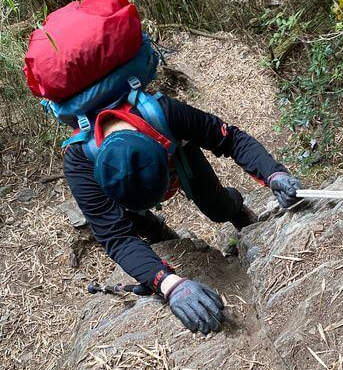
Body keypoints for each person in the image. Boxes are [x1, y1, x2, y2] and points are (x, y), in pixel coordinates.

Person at [64, 94, 302, 336]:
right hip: (128, 194)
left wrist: (274, 174)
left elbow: (230, 139)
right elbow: (117, 237)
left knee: (217, 207)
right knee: (148, 232)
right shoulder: (79, 162)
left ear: (161, 148)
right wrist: (168, 284)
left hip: (178, 154)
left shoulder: (165, 114)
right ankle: (156, 231)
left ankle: (234, 208)